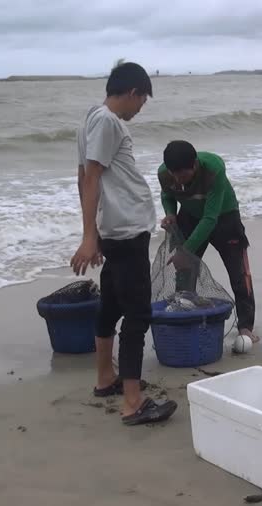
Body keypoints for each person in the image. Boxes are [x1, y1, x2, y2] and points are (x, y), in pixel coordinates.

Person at [70, 62, 177, 426]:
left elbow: (83, 176)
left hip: (115, 230)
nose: (141, 108)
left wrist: (96, 232)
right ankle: (134, 402)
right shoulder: (107, 121)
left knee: (111, 307)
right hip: (127, 231)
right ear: (132, 92)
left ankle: (105, 379)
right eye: (143, 100)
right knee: (137, 315)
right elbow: (91, 176)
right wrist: (88, 236)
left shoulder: (91, 118)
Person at [157, 141, 258, 344]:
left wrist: (185, 250)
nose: (178, 179)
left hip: (223, 215)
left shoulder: (214, 169)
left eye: (183, 175)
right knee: (184, 271)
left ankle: (246, 328)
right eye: (174, 174)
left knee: (238, 273)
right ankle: (185, 321)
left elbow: (210, 218)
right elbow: (167, 194)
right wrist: (170, 213)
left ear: (194, 165)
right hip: (190, 215)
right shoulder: (165, 173)